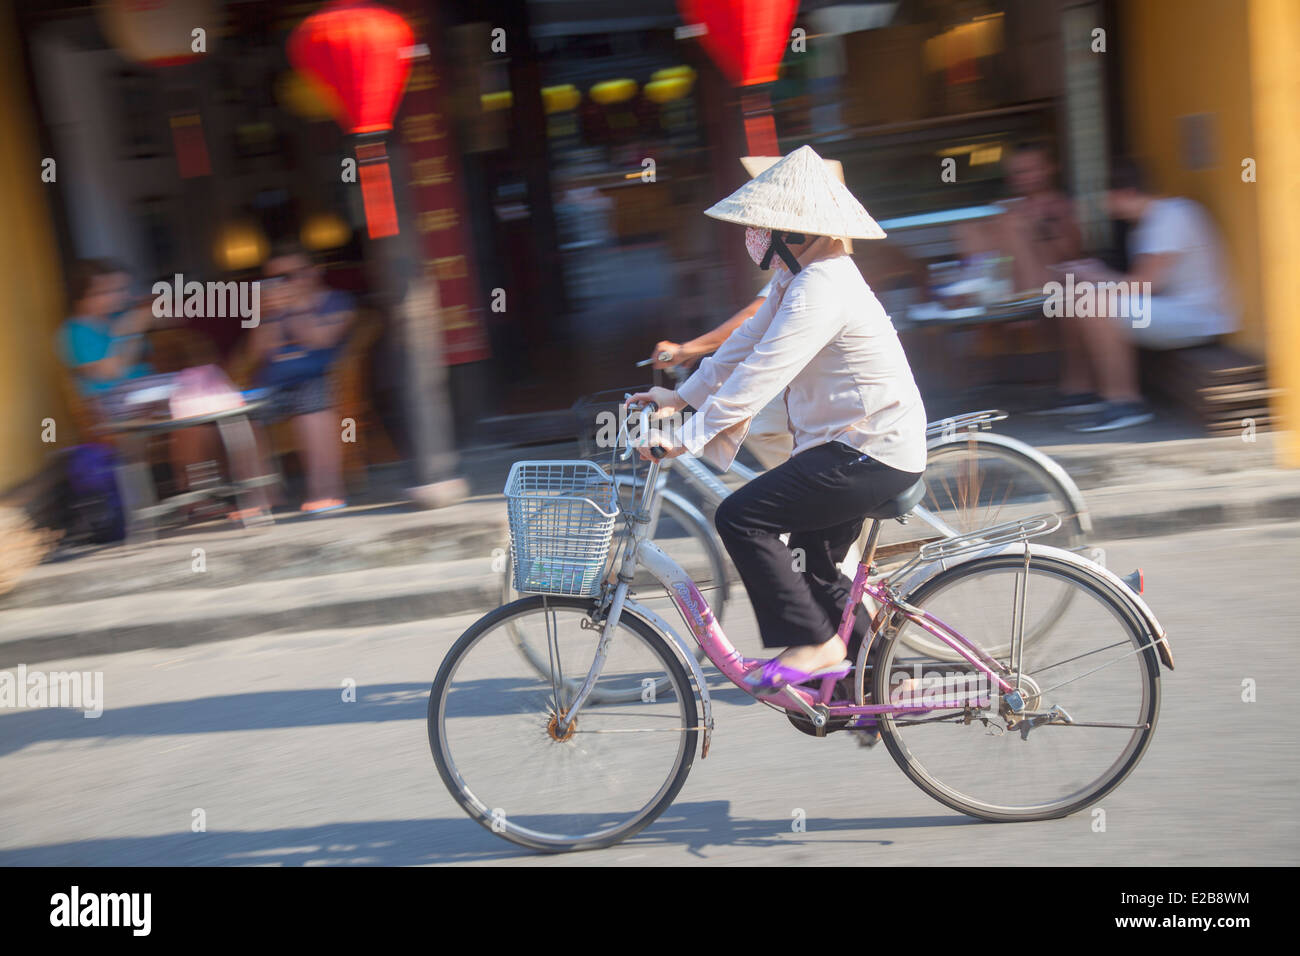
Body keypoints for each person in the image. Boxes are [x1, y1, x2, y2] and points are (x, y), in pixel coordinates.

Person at [629, 145, 928, 694]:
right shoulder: (799, 280)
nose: (755, 235)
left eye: (765, 225)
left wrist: (687, 437)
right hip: (853, 447)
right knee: (817, 565)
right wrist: (680, 400)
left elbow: (764, 371)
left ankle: (817, 646)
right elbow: (744, 343)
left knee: (742, 517)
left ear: (797, 232)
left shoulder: (823, 287)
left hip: (870, 452)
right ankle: (878, 686)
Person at [1049, 158, 1238, 432]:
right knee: (1077, 298)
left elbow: (1143, 285)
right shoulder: (1151, 222)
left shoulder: (1172, 216)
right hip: (1173, 310)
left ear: (1126, 193)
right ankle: (1086, 389)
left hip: (1200, 317)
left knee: (1094, 303)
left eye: (1107, 198)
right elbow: (1145, 285)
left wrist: (1095, 276)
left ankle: (1125, 402)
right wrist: (1094, 275)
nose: (1104, 206)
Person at [249, 246, 352, 514]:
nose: (282, 284)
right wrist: (269, 315)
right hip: (274, 385)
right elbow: (257, 353)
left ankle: (327, 492)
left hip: (318, 378)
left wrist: (297, 307)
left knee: (311, 409)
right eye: (274, 278)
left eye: (289, 276)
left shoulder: (337, 301)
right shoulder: (270, 309)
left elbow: (320, 340)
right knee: (242, 418)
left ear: (313, 272)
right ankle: (263, 496)